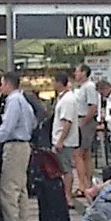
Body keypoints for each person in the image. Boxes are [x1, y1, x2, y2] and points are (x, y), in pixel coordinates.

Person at [0, 72, 36, 221]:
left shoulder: (12, 101)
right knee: (21, 187)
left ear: (6, 84)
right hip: (25, 145)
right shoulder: (23, 100)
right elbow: (33, 121)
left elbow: (8, 126)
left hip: (13, 146)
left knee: (8, 187)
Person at [51, 72, 80, 207]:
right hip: (62, 139)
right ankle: (65, 195)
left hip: (65, 141)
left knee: (66, 169)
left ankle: (68, 197)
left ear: (58, 82)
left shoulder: (68, 100)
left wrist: (60, 140)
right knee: (63, 168)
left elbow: (67, 122)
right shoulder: (63, 98)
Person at [73, 64, 98, 197]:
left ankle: (83, 185)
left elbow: (92, 106)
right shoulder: (80, 88)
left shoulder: (89, 87)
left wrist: (83, 121)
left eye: (77, 72)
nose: (75, 74)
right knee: (85, 154)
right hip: (81, 120)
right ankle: (87, 183)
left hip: (85, 121)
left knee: (79, 153)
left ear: (84, 73)